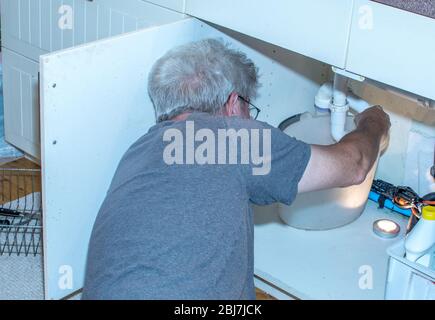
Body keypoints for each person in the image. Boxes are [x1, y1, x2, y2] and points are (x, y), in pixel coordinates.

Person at [82, 39, 390, 300]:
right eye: (249, 108)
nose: (252, 119)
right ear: (233, 105)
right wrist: (375, 121)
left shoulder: (137, 151)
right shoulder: (233, 138)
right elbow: (354, 165)